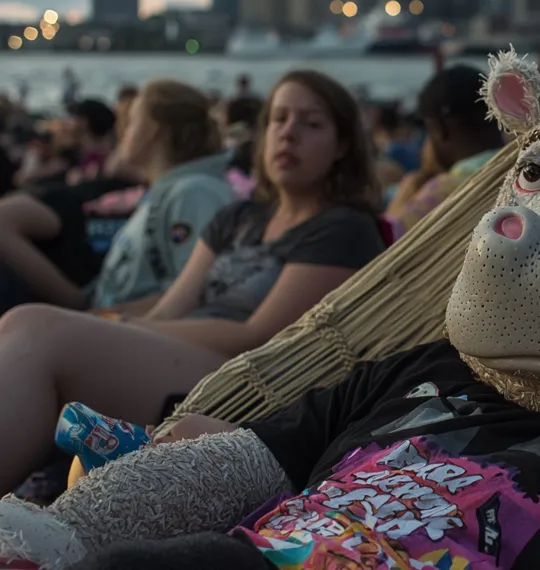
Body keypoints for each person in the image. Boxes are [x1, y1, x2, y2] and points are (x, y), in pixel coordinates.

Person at [0, 69, 386, 496]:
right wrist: (116, 324)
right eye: (278, 119)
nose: (288, 134)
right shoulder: (238, 217)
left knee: (37, 331)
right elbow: (172, 306)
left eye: (310, 124)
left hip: (241, 378)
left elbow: (260, 336)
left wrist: (124, 327)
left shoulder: (344, 229)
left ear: (343, 145)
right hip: (182, 355)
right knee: (19, 325)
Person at [0, 80, 237, 313]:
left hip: (131, 332)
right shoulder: (172, 191)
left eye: (131, 123)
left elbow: (194, 295)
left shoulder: (193, 192)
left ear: (152, 130)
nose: (121, 132)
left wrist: (103, 319)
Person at [384, 65, 506, 239]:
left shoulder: (446, 190)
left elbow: (384, 250)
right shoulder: (526, 169)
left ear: (440, 129)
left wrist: (400, 202)